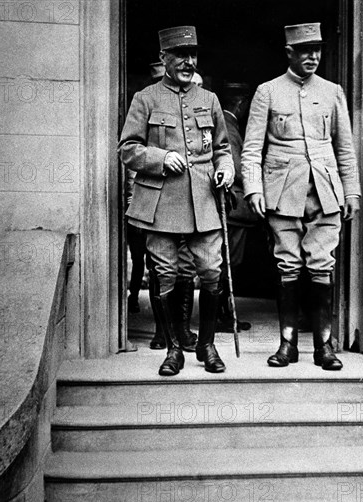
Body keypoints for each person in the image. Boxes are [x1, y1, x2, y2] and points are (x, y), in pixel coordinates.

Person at [241, 22, 361, 370]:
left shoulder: (333, 91)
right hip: (282, 192)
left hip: (325, 192)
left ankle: (323, 348)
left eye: (318, 50)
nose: (313, 56)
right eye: (305, 50)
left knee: (322, 265)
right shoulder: (268, 91)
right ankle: (288, 344)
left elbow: (345, 149)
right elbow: (251, 149)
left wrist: (351, 190)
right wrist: (253, 188)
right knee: (288, 265)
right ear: (289, 53)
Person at [119, 26, 234, 376]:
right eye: (180, 55)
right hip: (161, 203)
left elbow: (223, 149)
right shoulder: (145, 98)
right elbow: (127, 149)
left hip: (203, 199)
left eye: (193, 55)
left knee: (211, 270)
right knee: (164, 274)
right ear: (164, 59)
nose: (188, 62)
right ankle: (173, 350)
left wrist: (225, 169)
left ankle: (207, 345)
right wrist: (159, 157)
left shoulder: (209, 99)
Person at [126, 62, 198, 353]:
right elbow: (130, 156)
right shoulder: (144, 103)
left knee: (186, 269)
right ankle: (162, 331)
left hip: (188, 203)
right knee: (159, 269)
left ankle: (181, 330)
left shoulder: (194, 108)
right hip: (151, 204)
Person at [216, 83, 256, 332]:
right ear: (240, 104)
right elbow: (238, 169)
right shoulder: (229, 128)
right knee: (227, 263)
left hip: (234, 210)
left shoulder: (229, 125)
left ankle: (224, 313)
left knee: (228, 262)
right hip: (234, 208)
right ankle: (222, 316)